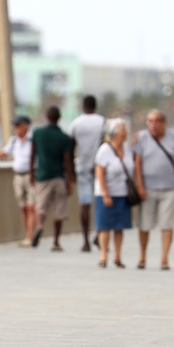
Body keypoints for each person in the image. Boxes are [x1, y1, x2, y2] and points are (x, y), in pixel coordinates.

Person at [133, 110, 174, 270]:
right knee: (144, 224)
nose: (153, 124)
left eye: (157, 121)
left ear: (164, 122)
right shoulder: (142, 138)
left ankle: (164, 258)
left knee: (167, 224)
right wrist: (139, 185)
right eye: (150, 121)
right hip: (148, 188)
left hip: (170, 188)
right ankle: (142, 257)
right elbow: (137, 163)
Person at [0, 115, 34, 246]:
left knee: (31, 206)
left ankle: (30, 236)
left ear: (25, 126)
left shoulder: (34, 140)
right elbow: (4, 152)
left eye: (18, 126)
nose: (15, 129)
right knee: (23, 207)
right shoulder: (14, 140)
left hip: (31, 176)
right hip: (18, 176)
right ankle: (28, 234)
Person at [29, 106, 75, 251]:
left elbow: (32, 155)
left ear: (47, 117)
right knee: (59, 210)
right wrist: (71, 180)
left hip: (43, 175)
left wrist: (31, 173)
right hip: (59, 177)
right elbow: (67, 161)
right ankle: (56, 241)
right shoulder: (64, 137)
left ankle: (40, 225)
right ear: (59, 118)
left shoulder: (38, 133)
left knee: (41, 206)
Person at [94, 118, 133, 268]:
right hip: (106, 194)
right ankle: (103, 255)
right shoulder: (105, 150)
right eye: (123, 130)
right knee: (104, 226)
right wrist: (105, 194)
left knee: (119, 226)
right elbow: (99, 173)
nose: (125, 133)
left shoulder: (127, 149)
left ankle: (117, 256)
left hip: (123, 193)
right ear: (115, 133)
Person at [69, 95, 105, 252]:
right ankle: (99, 234)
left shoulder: (76, 123)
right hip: (101, 168)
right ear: (95, 106)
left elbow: (70, 149)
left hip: (82, 168)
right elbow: (107, 144)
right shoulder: (103, 122)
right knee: (101, 204)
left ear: (83, 106)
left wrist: (70, 173)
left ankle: (85, 241)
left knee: (85, 205)